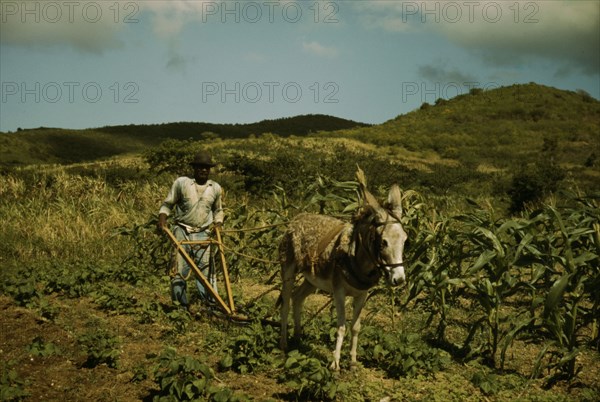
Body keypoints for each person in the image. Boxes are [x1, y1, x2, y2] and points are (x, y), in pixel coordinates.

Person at [157, 151, 224, 311]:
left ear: (210, 170)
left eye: (206, 168)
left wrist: (218, 223)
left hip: (203, 233)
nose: (203, 170)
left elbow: (218, 210)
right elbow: (167, 204)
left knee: (206, 272)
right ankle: (180, 308)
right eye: (200, 167)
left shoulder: (215, 188)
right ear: (194, 168)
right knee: (179, 271)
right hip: (182, 232)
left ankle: (211, 306)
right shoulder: (182, 183)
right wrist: (162, 219)